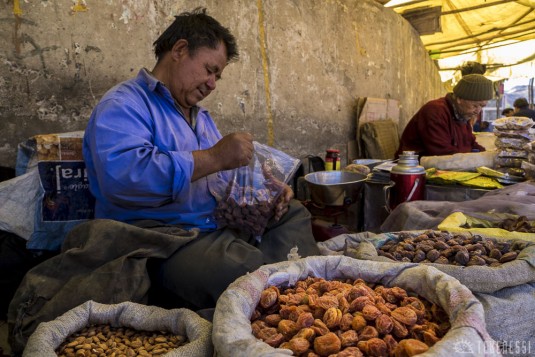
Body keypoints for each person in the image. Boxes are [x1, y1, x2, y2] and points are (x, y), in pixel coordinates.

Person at [82, 8, 320, 310]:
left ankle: (297, 292)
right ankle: (282, 293)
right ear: (180, 50)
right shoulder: (124, 104)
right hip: (161, 237)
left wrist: (268, 190)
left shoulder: (201, 118)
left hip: (211, 224)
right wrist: (214, 156)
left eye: (217, 76)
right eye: (210, 70)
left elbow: (222, 178)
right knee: (244, 271)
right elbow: (123, 179)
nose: (212, 83)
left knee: (292, 214)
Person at [396, 74, 493, 157]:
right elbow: (442, 154)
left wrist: (487, 155)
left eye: (482, 106)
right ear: (459, 99)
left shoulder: (463, 114)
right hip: (416, 169)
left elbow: (471, 144)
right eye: (475, 105)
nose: (478, 111)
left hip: (447, 165)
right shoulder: (435, 111)